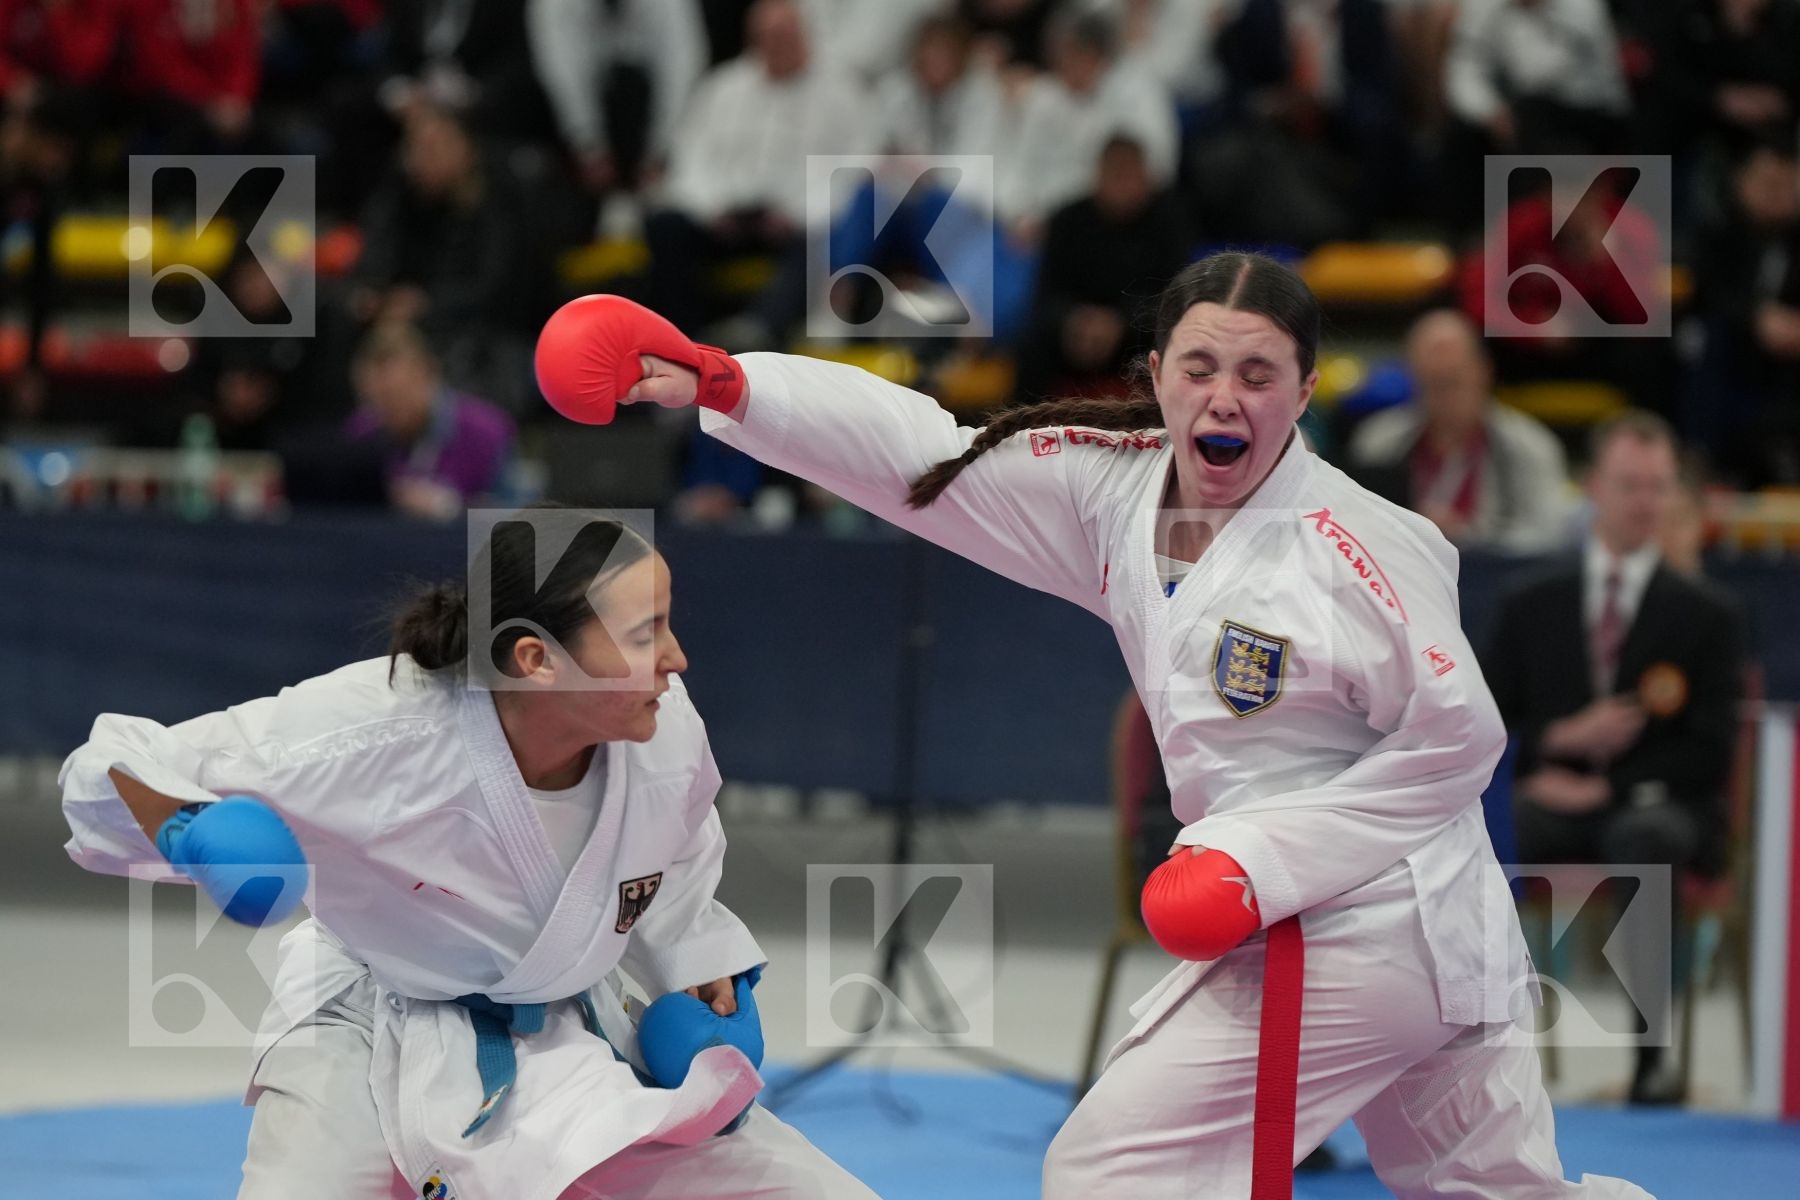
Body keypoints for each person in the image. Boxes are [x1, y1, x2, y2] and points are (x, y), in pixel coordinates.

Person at [536, 253, 1653, 1197]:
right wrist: (727, 382)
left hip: (1369, 923)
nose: (1225, 399)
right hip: (1411, 933)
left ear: (1307, 391)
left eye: (1259, 374)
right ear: (1156, 374)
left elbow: (1462, 739)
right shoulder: (1113, 488)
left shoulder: (1356, 546)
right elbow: (924, 453)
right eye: (1200, 368)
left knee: (1115, 1173)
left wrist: (1259, 860)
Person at [58, 510, 879, 1200]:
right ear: (536, 659)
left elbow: (674, 852)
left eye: (668, 621)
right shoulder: (379, 729)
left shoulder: (664, 728)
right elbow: (117, 758)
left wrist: (698, 962)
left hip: (559, 1028)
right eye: (645, 633)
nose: (676, 658)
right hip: (364, 1023)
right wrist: (191, 828)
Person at [1481, 412, 1745, 1107]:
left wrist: (1613, 788)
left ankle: (1651, 1062)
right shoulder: (1530, 604)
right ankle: (1477, 1051)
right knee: (1485, 830)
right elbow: (1484, 723)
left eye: (1659, 487)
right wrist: (1558, 741)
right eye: (1631, 485)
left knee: (1646, 837)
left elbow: (1711, 748)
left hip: (1660, 807)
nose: (1646, 502)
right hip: (1553, 802)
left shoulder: (1706, 615)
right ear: (1594, 488)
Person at [1346, 309, 1573, 554]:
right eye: (1433, 382)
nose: (1444, 396)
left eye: (1453, 380)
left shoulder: (1529, 447)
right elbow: (1356, 528)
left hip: (1496, 574)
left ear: (1482, 371)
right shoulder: (1378, 441)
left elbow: (1548, 537)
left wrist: (1468, 536)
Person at [342, 321, 515, 519]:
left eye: (396, 397)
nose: (386, 411)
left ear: (429, 373)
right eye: (374, 401)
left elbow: (518, 521)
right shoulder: (362, 432)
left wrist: (453, 509)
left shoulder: (487, 433)